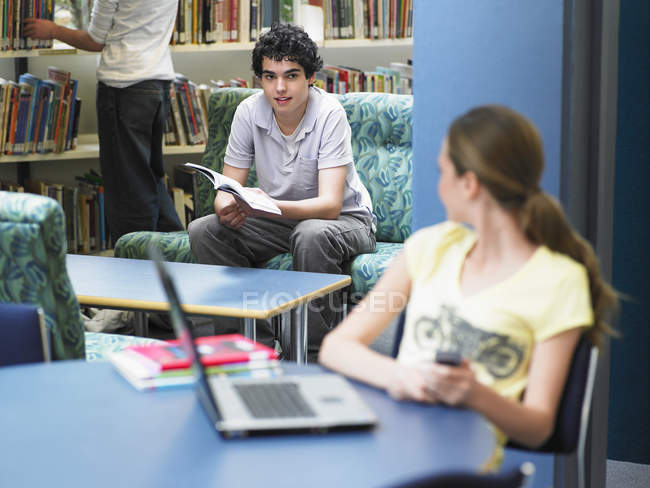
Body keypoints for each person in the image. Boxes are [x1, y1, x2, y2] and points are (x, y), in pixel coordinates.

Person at [319, 105, 617, 450]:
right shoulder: (430, 247)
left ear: (470, 184)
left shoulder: (562, 281)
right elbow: (336, 348)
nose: (439, 184)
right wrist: (399, 376)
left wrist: (475, 395)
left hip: (464, 465)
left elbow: (538, 427)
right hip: (392, 445)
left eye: (442, 172)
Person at [187, 23, 376, 357]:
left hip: (345, 221)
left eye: (291, 75)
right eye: (269, 77)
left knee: (312, 235)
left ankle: (312, 353)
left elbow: (331, 205)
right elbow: (229, 186)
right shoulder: (248, 111)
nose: (280, 87)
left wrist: (266, 205)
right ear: (259, 79)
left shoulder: (329, 113)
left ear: (310, 77)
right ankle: (245, 346)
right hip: (280, 219)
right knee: (205, 230)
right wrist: (225, 205)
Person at [24, 1, 183, 244]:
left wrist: (53, 30)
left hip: (124, 86)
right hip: (157, 85)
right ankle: (177, 254)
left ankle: (135, 264)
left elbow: (94, 40)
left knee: (127, 188)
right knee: (150, 177)